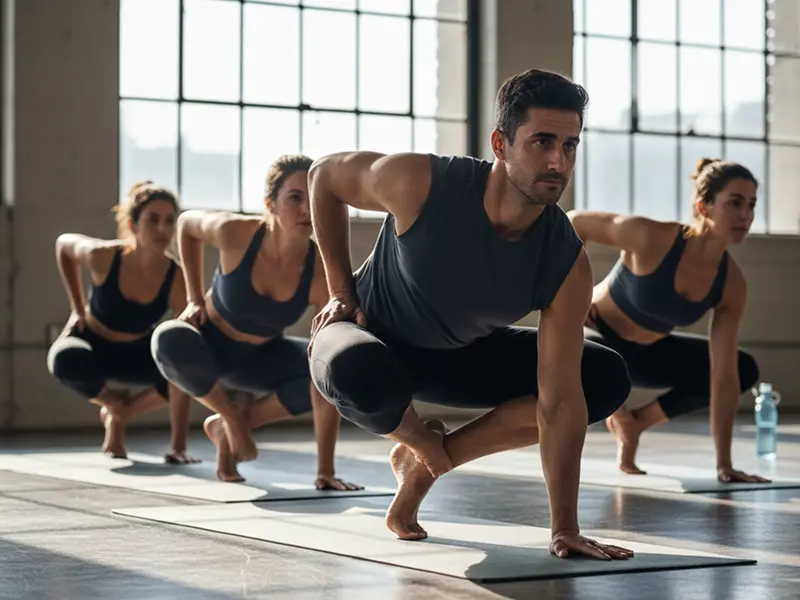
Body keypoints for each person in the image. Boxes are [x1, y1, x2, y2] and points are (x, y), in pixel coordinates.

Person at [306, 68, 634, 561]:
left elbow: (560, 402)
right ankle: (420, 442)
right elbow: (323, 176)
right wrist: (339, 290)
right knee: (356, 368)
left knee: (603, 378)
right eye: (542, 142)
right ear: (500, 144)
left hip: (457, 356)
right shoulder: (423, 183)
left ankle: (425, 466)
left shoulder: (566, 261)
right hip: (367, 334)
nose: (558, 161)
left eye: (570, 146)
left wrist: (565, 528)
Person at [151, 155, 361, 490]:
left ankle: (226, 428)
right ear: (270, 203)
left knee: (329, 367)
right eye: (295, 197)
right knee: (168, 337)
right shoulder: (235, 232)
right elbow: (187, 225)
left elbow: (325, 350)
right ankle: (232, 418)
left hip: (262, 359)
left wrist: (326, 471)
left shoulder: (320, 270)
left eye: (313, 199)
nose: (307, 209)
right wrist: (194, 300)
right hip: (208, 348)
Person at [567, 159, 767, 484]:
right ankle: (619, 417)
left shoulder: (732, 283)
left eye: (751, 205)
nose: (746, 215)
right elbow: (575, 222)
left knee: (743, 368)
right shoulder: (653, 237)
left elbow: (724, 377)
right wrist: (574, 294)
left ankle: (636, 423)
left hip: (645, 357)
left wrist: (724, 465)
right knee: (596, 362)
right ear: (703, 206)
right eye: (735, 203)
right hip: (593, 337)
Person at [47, 181, 198, 463]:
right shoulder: (104, 256)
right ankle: (114, 405)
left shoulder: (176, 276)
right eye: (153, 220)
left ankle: (119, 415)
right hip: (91, 342)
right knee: (64, 359)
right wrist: (77, 309)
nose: (163, 229)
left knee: (185, 368)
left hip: (135, 352)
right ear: (132, 224)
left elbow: (182, 347)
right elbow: (63, 245)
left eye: (169, 221)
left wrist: (179, 447)